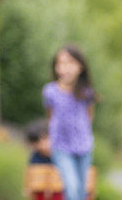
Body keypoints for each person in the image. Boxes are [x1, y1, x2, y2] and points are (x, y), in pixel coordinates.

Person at [42, 45, 96, 200]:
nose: (64, 68)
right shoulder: (50, 91)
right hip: (61, 146)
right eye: (60, 63)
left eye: (69, 63)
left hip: (84, 146)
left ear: (80, 66)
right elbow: (50, 117)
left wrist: (85, 136)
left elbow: (89, 117)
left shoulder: (86, 92)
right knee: (71, 186)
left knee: (81, 190)